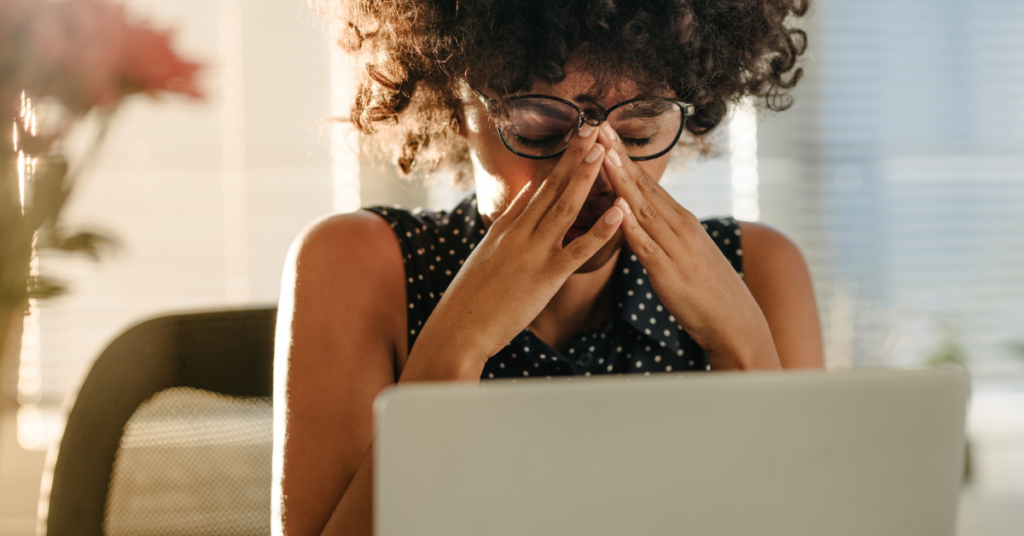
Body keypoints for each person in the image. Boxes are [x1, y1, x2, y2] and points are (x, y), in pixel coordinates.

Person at [273, 0, 821, 534]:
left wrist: (744, 347)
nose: (597, 172)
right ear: (455, 107)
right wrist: (459, 342)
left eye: (637, 135)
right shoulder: (358, 263)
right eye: (537, 129)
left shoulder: (760, 269)